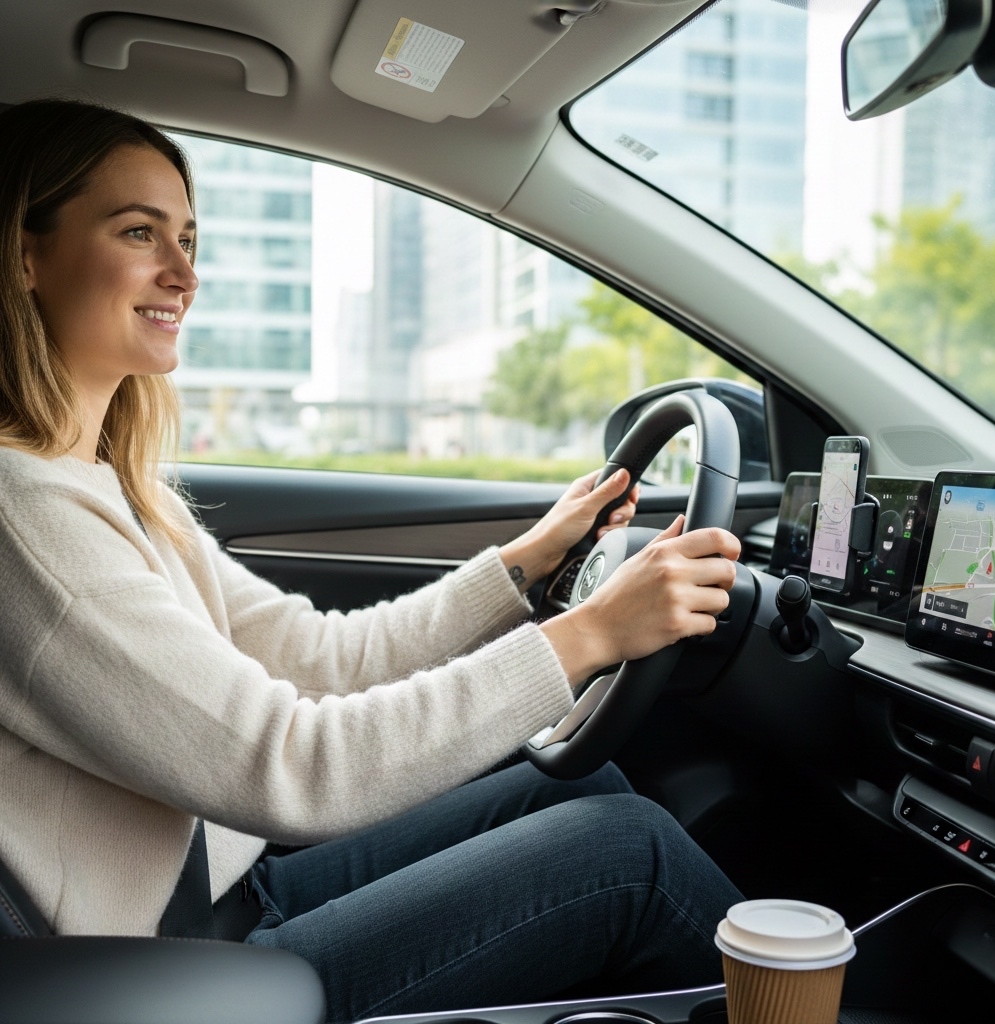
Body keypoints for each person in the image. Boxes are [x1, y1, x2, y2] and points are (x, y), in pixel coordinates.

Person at [0, 98, 744, 1021]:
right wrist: (589, 635)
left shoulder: (108, 484)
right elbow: (295, 763)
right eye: (139, 232)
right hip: (164, 966)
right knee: (631, 853)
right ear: (24, 255)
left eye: (188, 237)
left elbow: (317, 657)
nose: (184, 274)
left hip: (229, 887)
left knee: (587, 780)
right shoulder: (25, 514)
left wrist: (517, 569)